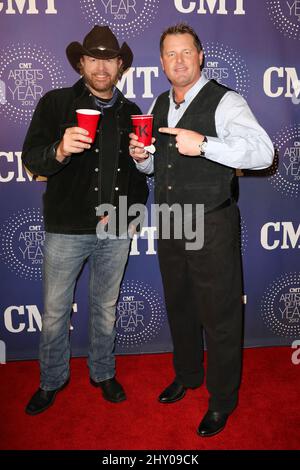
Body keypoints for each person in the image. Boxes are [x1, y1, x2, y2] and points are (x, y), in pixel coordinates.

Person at [129, 23, 274, 437]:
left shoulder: (226, 100)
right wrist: (141, 157)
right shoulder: (158, 103)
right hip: (171, 219)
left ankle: (222, 400)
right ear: (161, 62)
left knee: (221, 314)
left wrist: (206, 143)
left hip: (211, 219)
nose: (178, 61)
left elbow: (264, 153)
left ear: (200, 55)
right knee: (180, 305)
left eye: (186, 52)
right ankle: (188, 375)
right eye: (170, 54)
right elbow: (156, 166)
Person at [22, 26, 148, 415]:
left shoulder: (131, 112)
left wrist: (133, 210)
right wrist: (59, 150)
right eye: (93, 58)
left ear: (120, 65)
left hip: (115, 228)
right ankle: (52, 379)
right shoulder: (55, 103)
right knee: (56, 309)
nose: (100, 66)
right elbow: (32, 158)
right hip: (66, 228)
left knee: (105, 307)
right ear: (81, 63)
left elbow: (139, 174)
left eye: (109, 58)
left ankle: (103, 372)